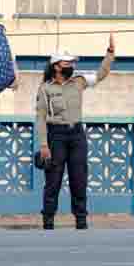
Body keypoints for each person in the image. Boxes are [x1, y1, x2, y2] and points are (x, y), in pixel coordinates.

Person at [36, 35, 115, 230]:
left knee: (79, 178)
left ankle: (81, 220)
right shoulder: (45, 88)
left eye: (72, 62)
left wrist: (110, 54)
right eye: (67, 62)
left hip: (77, 135)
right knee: (53, 181)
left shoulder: (79, 81)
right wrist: (44, 145)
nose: (71, 65)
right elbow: (40, 117)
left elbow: (101, 75)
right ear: (56, 66)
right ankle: (48, 221)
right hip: (56, 136)